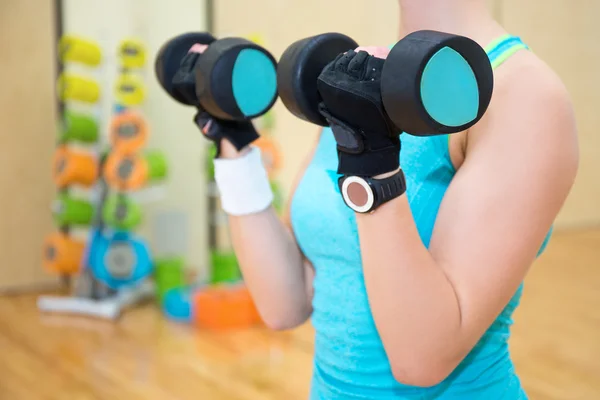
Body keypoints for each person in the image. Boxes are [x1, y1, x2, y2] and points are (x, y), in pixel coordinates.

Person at [195, 0, 579, 398]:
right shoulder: (360, 74)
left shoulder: (523, 95)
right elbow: (286, 302)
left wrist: (371, 164)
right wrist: (233, 142)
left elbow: (422, 359)